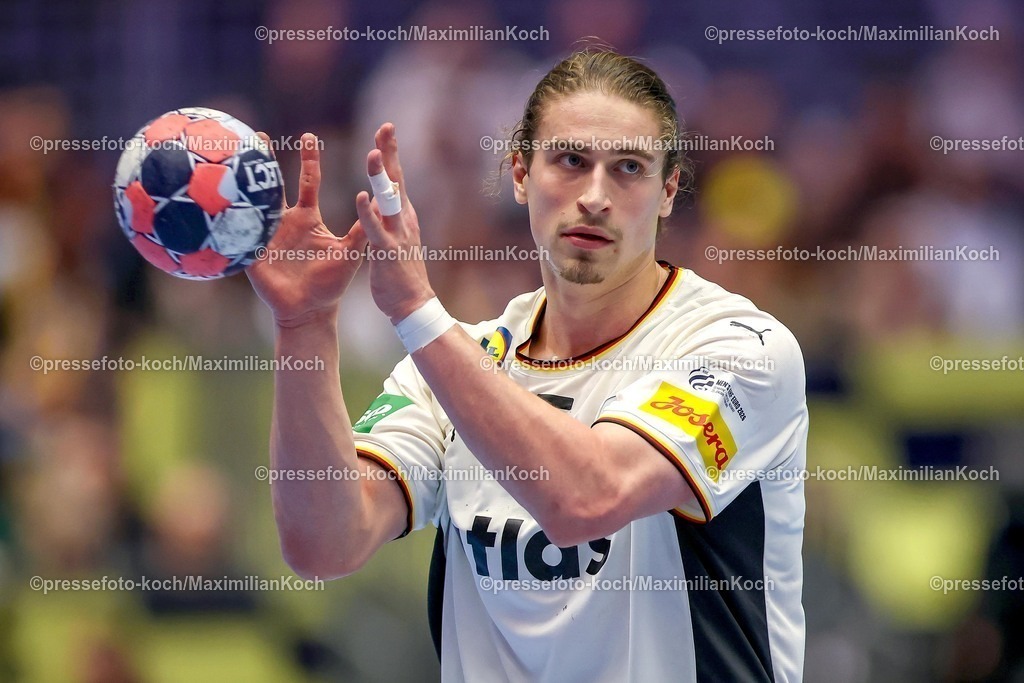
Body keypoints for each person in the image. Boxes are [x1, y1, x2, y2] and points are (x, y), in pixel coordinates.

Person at [247, 49, 808, 682]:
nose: (595, 197)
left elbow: (588, 497)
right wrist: (304, 325)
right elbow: (326, 544)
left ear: (668, 192)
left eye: (629, 169)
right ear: (520, 174)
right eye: (570, 161)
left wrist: (415, 311)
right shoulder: (460, 360)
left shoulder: (739, 347)